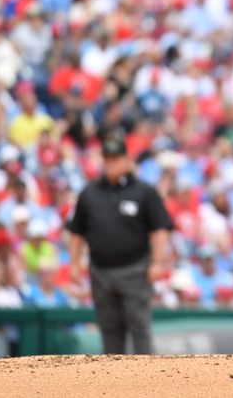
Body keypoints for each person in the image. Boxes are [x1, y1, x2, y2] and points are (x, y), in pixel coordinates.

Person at [66, 134, 174, 354]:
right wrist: (75, 263)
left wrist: (157, 262)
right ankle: (114, 384)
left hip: (135, 269)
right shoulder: (90, 193)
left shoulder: (144, 192)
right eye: (108, 158)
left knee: (139, 326)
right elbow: (77, 232)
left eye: (116, 158)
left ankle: (146, 381)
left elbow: (160, 229)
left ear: (126, 159)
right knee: (109, 328)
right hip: (100, 271)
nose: (112, 163)